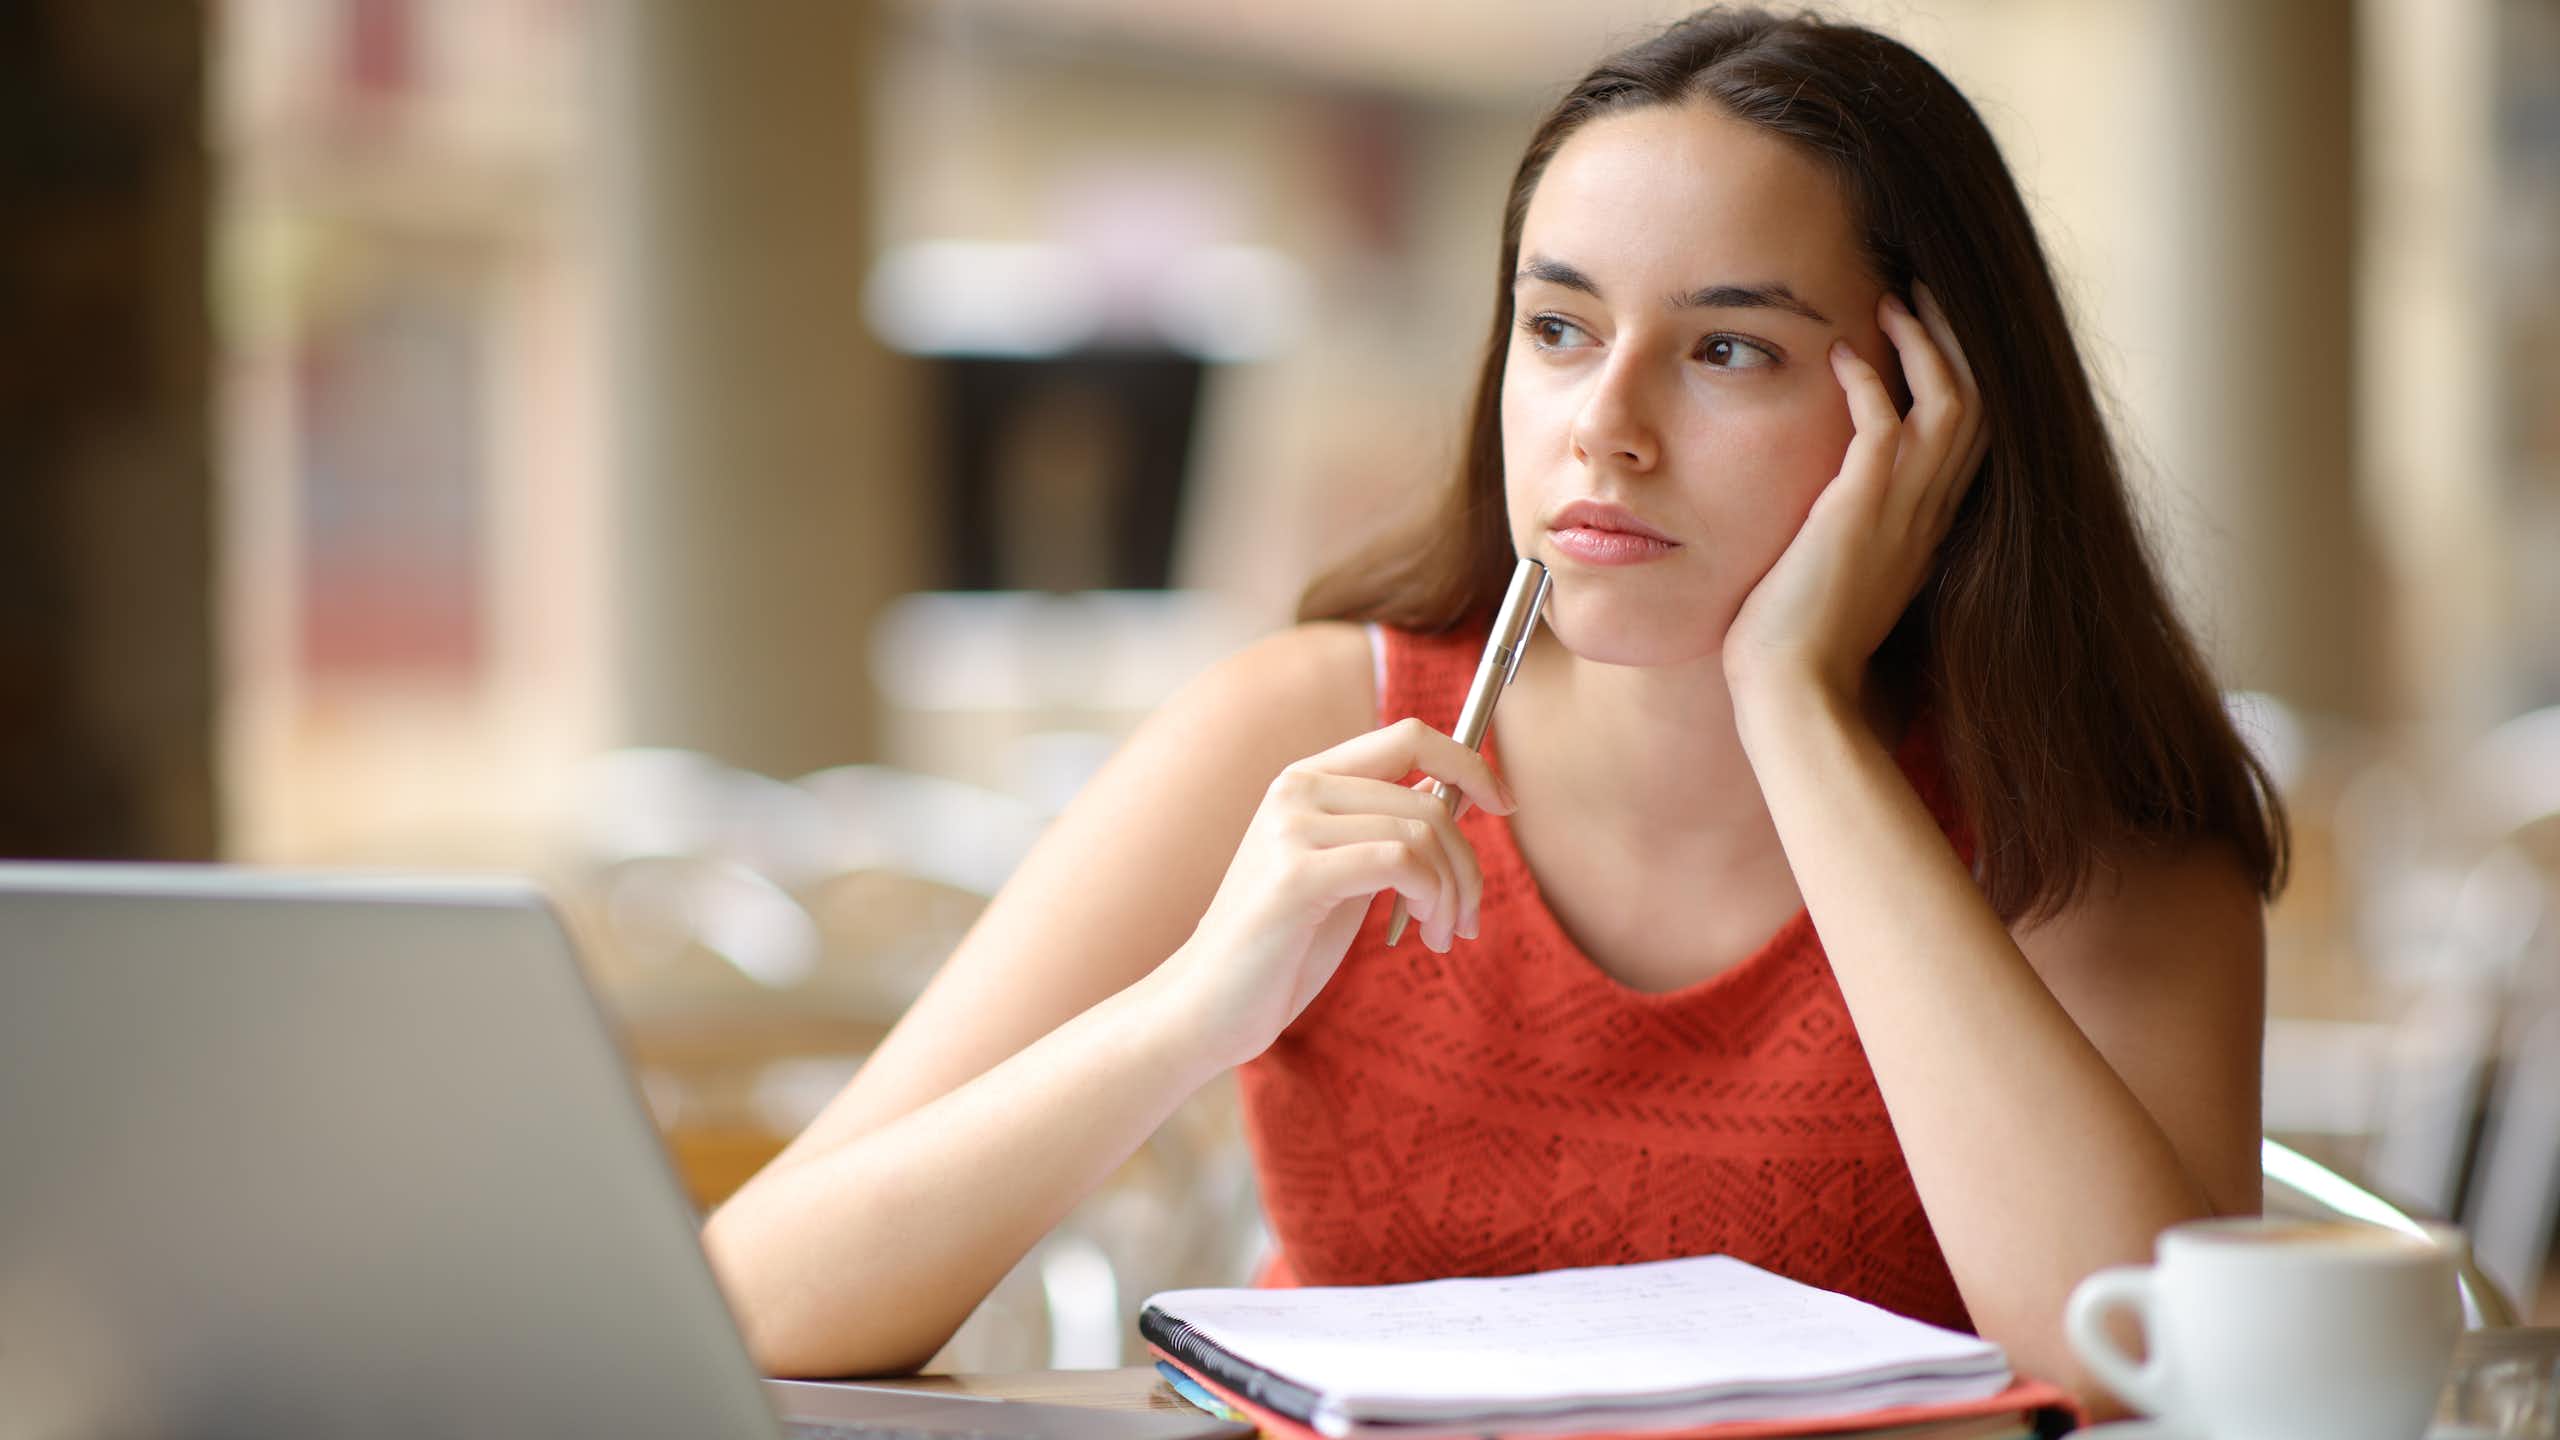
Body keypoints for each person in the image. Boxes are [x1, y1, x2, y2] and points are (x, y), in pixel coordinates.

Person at [701, 7, 2287, 1418]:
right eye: (1561, 328)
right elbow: (752, 1306)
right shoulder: (1305, 728)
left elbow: (2146, 1365)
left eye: (1728, 348)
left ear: (1930, 414)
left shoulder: (2088, 820)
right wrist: (1197, 1010)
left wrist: (1798, 712)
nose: (1606, 427)